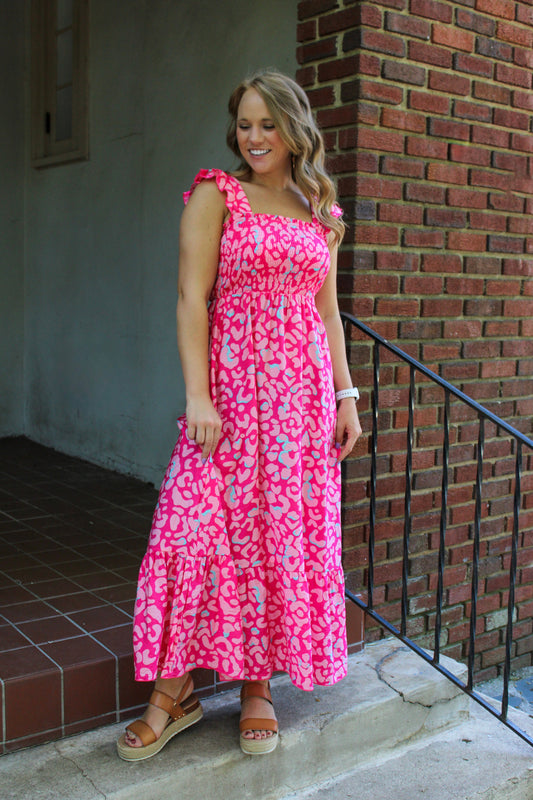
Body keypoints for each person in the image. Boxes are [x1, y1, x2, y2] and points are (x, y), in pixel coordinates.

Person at [117, 69, 362, 761]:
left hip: (300, 404)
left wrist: (345, 396)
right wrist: (197, 396)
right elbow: (191, 300)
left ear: (294, 130)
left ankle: (258, 688)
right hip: (228, 399)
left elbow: (326, 312)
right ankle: (174, 690)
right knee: (192, 529)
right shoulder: (213, 194)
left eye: (266, 124)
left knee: (276, 534)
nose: (253, 137)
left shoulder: (319, 206)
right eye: (244, 124)